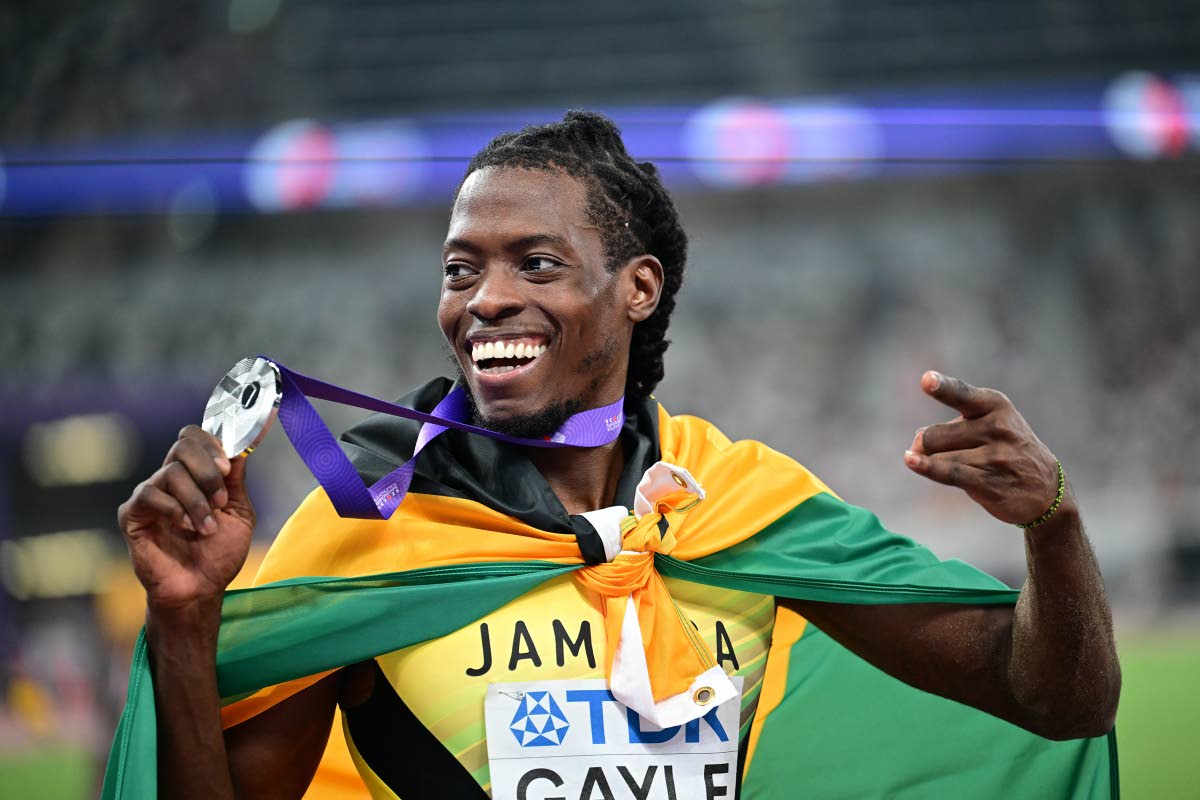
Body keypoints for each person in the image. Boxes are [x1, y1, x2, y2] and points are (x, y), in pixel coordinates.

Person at [117, 111, 1120, 799]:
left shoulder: (735, 495)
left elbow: (1056, 697)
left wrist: (1053, 522)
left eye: (535, 262)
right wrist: (184, 613)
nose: (485, 299)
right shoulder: (369, 515)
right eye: (460, 269)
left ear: (637, 288)